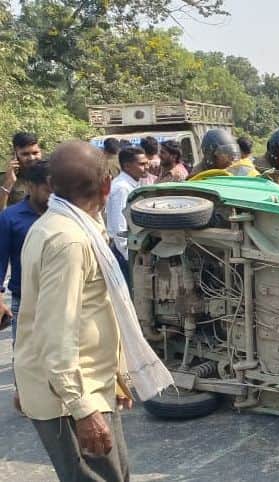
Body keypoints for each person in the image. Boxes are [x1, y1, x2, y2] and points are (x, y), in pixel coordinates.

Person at [16, 141, 172, 482]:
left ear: (52, 185)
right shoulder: (69, 241)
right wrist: (83, 409)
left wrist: (116, 376)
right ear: (106, 186)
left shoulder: (66, 227)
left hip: (83, 385)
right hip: (71, 395)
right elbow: (56, 332)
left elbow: (89, 313)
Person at [0, 161, 51, 341]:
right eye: (48, 190)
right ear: (31, 187)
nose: (54, 196)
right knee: (25, 353)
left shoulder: (65, 215)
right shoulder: (10, 218)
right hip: (24, 301)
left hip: (61, 298)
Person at [106, 146, 148, 258]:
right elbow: (119, 224)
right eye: (142, 164)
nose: (147, 167)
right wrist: (127, 255)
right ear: (127, 166)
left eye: (146, 163)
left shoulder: (134, 183)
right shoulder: (122, 188)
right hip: (123, 249)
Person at [1, 132, 43, 211]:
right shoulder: (5, 179)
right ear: (15, 155)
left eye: (35, 153)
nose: (31, 158)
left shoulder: (50, 175)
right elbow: (2, 213)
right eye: (25, 154)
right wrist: (8, 183)